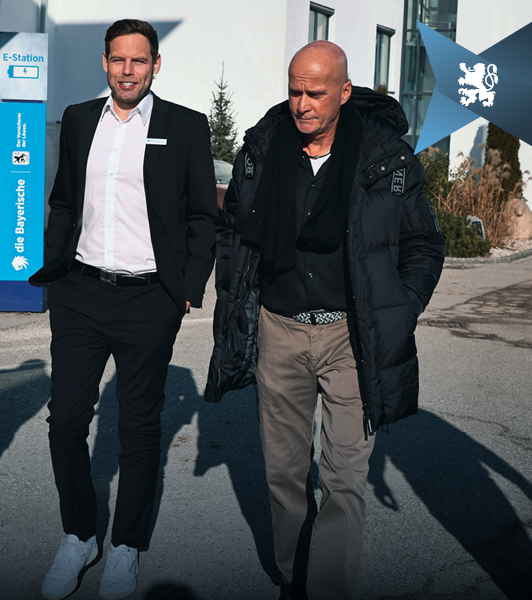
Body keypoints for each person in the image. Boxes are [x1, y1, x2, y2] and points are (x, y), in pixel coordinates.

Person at [205, 41, 445, 600]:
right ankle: (294, 576)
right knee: (285, 473)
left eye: (316, 92)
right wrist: (230, 286)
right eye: (294, 90)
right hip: (279, 327)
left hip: (350, 334)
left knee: (343, 478)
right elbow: (233, 230)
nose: (302, 103)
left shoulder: (386, 155)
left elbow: (424, 244)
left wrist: (399, 310)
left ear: (344, 90)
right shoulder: (263, 147)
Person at [28, 19, 218, 600]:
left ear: (156, 65)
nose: (127, 70)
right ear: (105, 63)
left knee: (137, 427)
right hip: (80, 292)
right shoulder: (81, 119)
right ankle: (80, 534)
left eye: (139, 61)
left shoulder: (185, 126)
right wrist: (54, 266)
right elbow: (63, 199)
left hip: (149, 299)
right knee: (64, 421)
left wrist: (186, 287)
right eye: (118, 60)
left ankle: (127, 545)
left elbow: (202, 217)